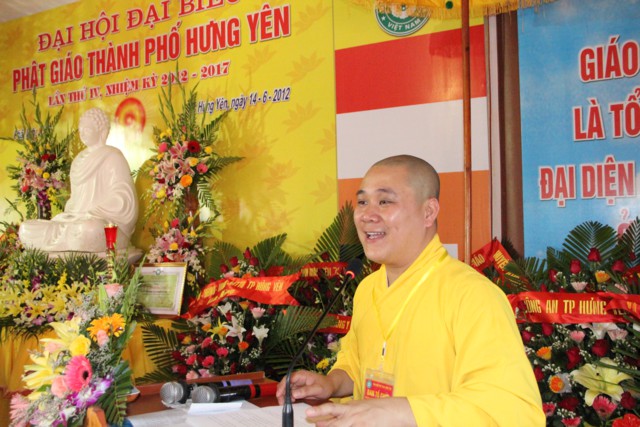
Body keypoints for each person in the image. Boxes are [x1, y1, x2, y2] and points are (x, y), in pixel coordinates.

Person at [276, 155, 544, 426]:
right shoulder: (367, 288)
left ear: (428, 212)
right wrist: (330, 384)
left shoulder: (473, 295)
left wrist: (400, 411)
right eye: (362, 202)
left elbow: (514, 411)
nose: (367, 215)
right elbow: (355, 365)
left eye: (384, 202)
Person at [19, 108, 138, 253]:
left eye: (87, 129)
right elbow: (75, 201)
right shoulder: (78, 160)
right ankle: (69, 238)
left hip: (100, 222)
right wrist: (73, 213)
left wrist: (92, 212)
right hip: (75, 220)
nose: (82, 133)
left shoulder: (113, 156)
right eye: (81, 129)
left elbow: (125, 200)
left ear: (102, 131)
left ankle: (73, 237)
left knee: (88, 229)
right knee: (27, 229)